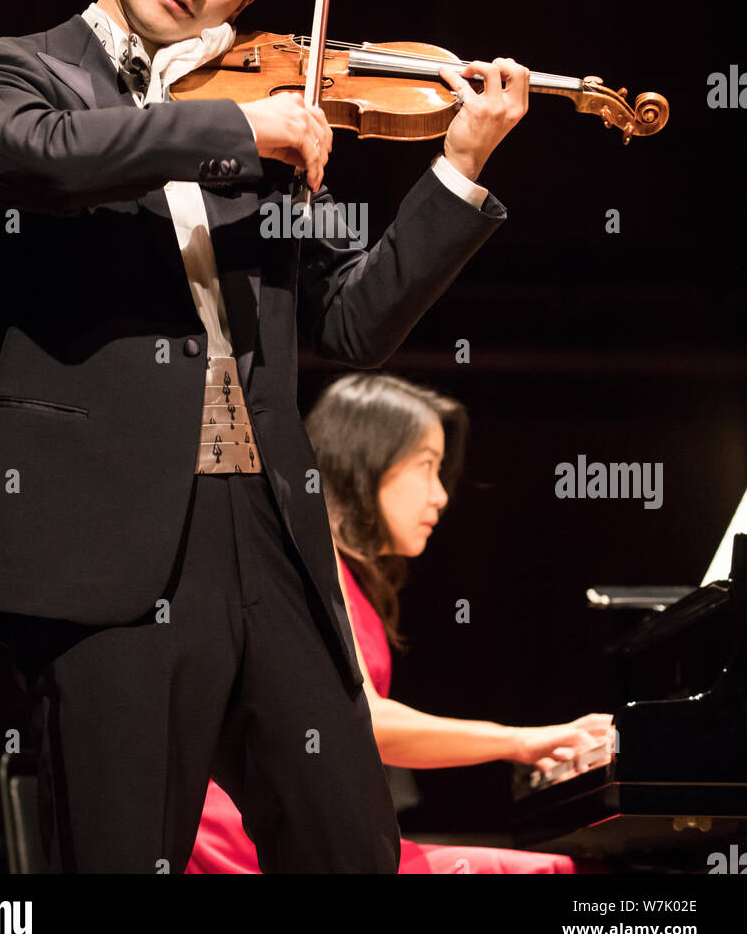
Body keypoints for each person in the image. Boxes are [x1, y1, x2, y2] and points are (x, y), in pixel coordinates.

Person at [0, 0, 531, 873]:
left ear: (244, 0)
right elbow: (46, 157)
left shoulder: (253, 110)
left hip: (268, 530)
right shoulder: (15, 76)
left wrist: (457, 173)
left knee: (352, 850)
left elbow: (345, 325)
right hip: (109, 538)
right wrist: (238, 132)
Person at [186, 371, 613, 874]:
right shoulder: (305, 557)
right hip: (241, 838)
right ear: (364, 461)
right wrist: (522, 741)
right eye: (426, 467)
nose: (441, 496)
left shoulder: (336, 568)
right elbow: (366, 722)